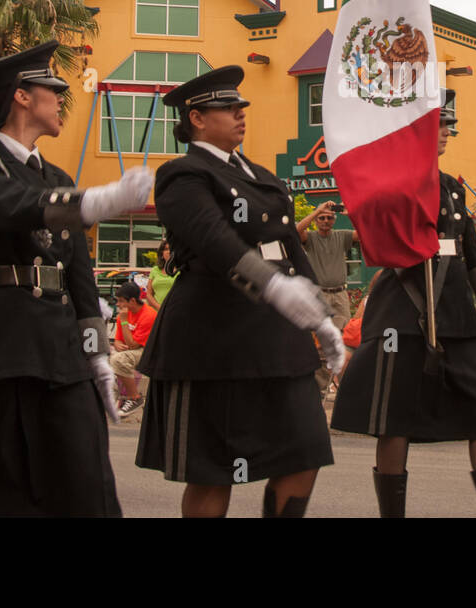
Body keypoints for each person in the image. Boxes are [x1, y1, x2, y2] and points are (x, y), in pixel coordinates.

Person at [0, 40, 152, 517]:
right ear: (22, 96)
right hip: (1, 343)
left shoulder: (56, 173)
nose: (61, 98)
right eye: (54, 89)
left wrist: (97, 351)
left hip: (61, 349)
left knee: (86, 481)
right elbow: (9, 207)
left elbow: (79, 271)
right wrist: (91, 202)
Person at [136, 65, 341, 518]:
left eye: (241, 106)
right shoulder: (183, 174)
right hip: (214, 335)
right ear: (196, 118)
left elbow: (290, 247)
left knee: (305, 451)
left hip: (277, 338)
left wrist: (321, 317)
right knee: (213, 470)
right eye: (227, 108)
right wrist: (272, 286)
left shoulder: (261, 174)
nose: (240, 113)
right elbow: (214, 239)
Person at [332, 91, 476, 517]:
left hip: (457, 315)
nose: (448, 133)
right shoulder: (391, 182)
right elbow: (374, 247)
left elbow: (474, 257)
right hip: (404, 313)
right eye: (440, 125)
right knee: (395, 417)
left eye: (449, 125)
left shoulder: (453, 188)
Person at [297, 199, 359, 393]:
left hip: (340, 294)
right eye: (322, 218)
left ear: (334, 220)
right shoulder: (312, 238)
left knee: (345, 340)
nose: (325, 221)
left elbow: (365, 234)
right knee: (321, 343)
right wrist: (317, 211)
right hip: (320, 294)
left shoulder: (342, 236)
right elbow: (296, 231)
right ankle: (320, 387)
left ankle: (344, 386)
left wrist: (352, 215)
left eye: (329, 218)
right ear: (317, 221)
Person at [110, 281, 156, 417]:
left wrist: (124, 321)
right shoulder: (123, 314)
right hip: (131, 350)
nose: (118, 304)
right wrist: (117, 344)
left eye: (121, 301)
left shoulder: (148, 315)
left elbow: (132, 345)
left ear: (133, 301)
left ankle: (134, 397)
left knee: (119, 360)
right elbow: (118, 339)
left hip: (147, 351)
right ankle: (109, 400)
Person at [144, 240, 176, 313]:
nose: (169, 251)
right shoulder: (155, 270)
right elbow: (149, 294)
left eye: (171, 249)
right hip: (156, 313)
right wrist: (159, 307)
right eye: (166, 249)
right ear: (162, 254)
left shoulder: (181, 271)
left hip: (174, 312)